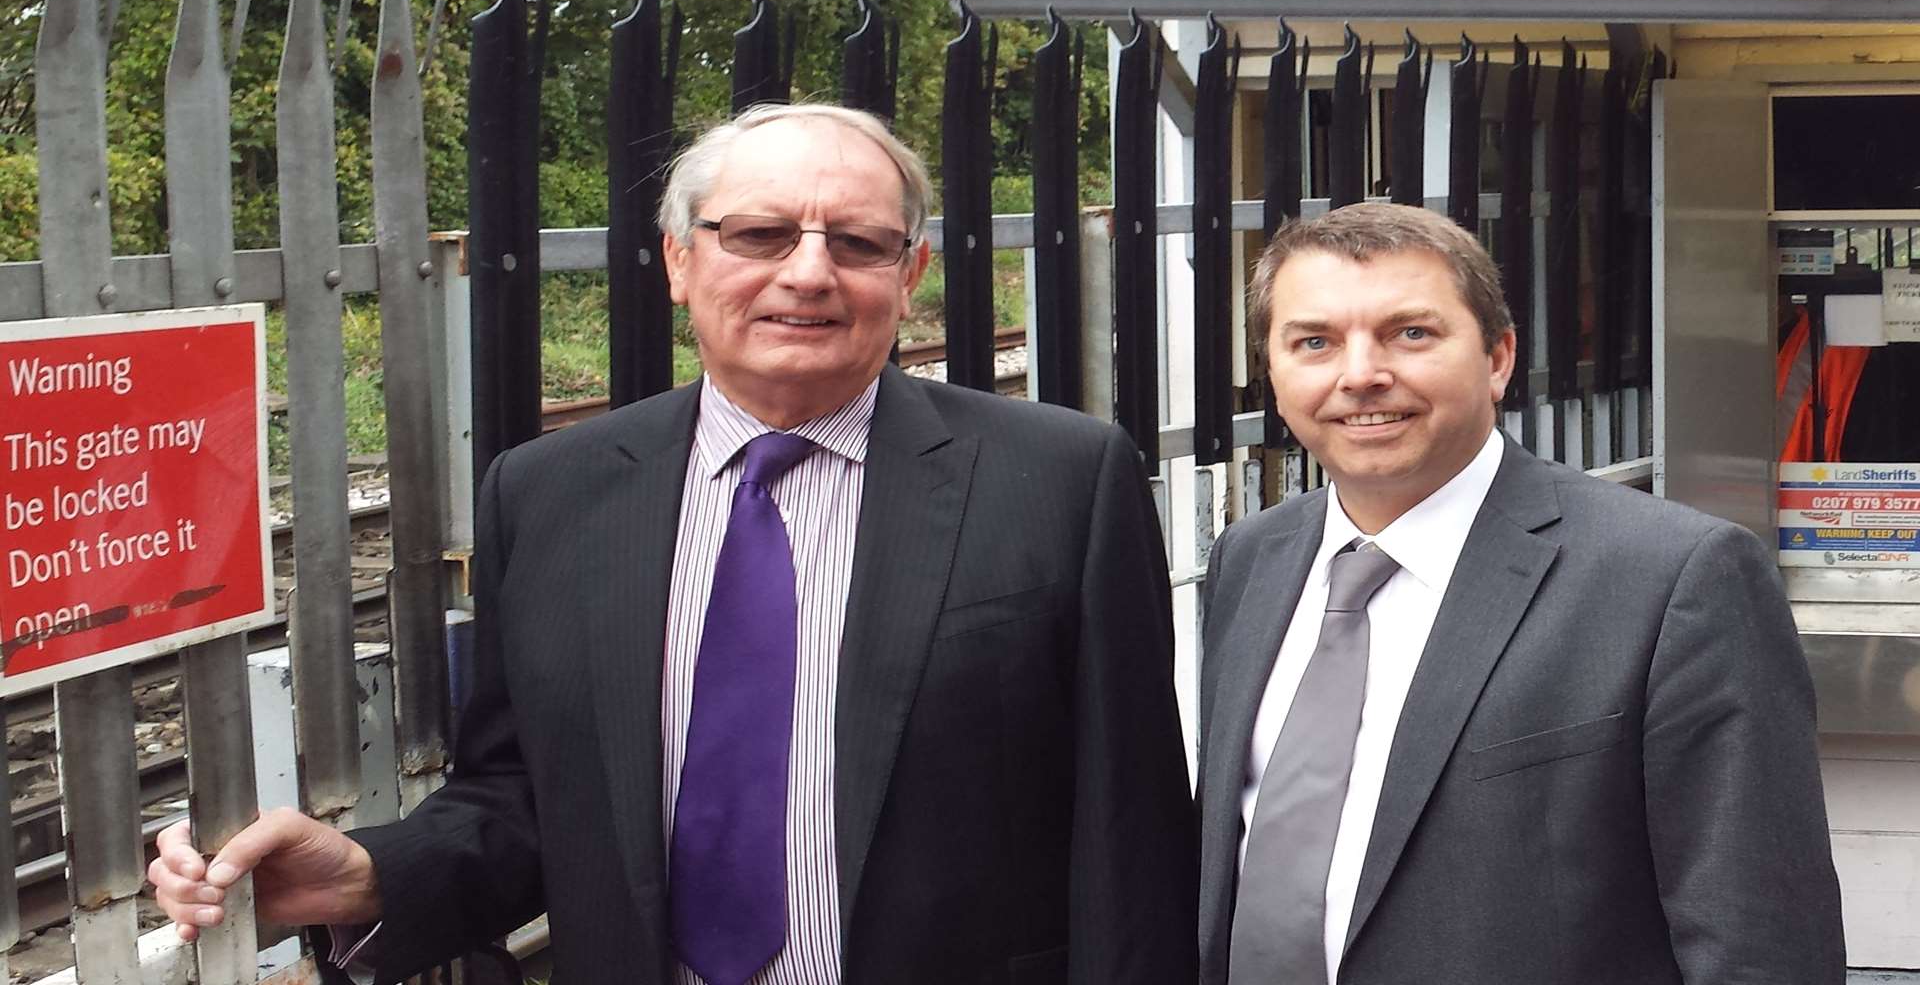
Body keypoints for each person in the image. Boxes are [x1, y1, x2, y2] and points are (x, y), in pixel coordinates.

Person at [149, 103, 1198, 985]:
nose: (809, 273)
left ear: (911, 272)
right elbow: (526, 799)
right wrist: (369, 877)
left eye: (859, 243)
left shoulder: (1059, 481)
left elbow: (1132, 837)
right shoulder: (552, 494)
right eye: (760, 236)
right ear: (679, 263)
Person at [1196, 203, 1843, 985]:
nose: (1360, 373)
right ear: (1273, 370)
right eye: (1314, 342)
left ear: (1498, 358)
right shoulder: (1250, 561)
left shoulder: (1674, 577)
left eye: (1411, 333)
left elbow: (1760, 940)